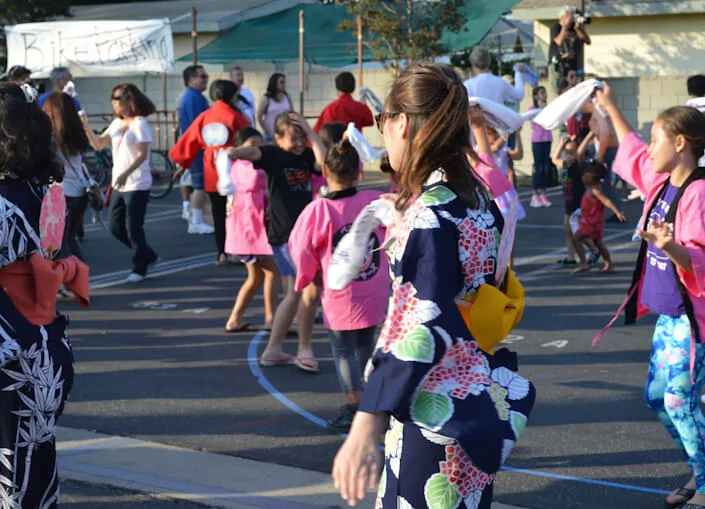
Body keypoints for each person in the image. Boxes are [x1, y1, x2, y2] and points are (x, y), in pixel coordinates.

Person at [332, 63, 535, 509]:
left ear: (401, 122)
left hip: (432, 406)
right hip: (475, 397)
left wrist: (367, 421)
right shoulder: (477, 197)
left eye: (382, 122)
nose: (383, 133)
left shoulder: (429, 214)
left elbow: (418, 324)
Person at [596, 82, 705, 509]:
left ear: (680, 144)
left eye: (658, 138)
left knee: (679, 400)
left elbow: (700, 258)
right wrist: (608, 105)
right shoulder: (660, 180)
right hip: (667, 317)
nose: (650, 146)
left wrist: (669, 246)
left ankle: (703, 479)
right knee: (657, 398)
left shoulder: (698, 193)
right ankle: (700, 468)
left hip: (692, 322)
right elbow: (633, 148)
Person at [0, 82, 79, 508]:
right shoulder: (47, 192)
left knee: (13, 477)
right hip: (44, 347)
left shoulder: (2, 202)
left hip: (10, 356)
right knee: (35, 467)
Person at [289, 139, 389, 432]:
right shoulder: (374, 201)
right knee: (366, 343)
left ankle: (354, 405)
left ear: (324, 170)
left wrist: (310, 277)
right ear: (359, 171)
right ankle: (373, 401)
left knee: (343, 349)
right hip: (372, 285)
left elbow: (301, 249)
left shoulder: (318, 211)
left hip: (340, 290)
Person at [227, 112, 326, 372]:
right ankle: (303, 350)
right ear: (278, 138)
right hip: (285, 234)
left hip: (303, 233)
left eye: (301, 138)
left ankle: (275, 349)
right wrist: (236, 151)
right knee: (304, 292)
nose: (298, 143)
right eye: (292, 138)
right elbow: (248, 154)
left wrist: (309, 131)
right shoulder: (272, 155)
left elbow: (323, 162)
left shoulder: (305, 155)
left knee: (298, 292)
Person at [83, 84, 159, 283]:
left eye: (118, 98)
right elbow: (99, 144)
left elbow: (143, 155)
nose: (114, 103)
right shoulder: (117, 123)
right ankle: (147, 254)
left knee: (134, 227)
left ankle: (139, 266)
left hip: (137, 183)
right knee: (116, 227)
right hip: (118, 183)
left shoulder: (140, 123)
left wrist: (126, 173)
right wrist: (85, 126)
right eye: (113, 98)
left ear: (129, 101)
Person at [170, 80, 250, 265]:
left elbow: (189, 140)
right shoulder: (236, 116)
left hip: (212, 168)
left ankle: (221, 253)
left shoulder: (205, 116)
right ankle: (238, 250)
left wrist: (183, 163)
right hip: (234, 167)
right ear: (232, 95)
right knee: (237, 211)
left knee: (218, 212)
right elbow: (248, 139)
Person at [224, 127, 279, 332]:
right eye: (251, 146)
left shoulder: (245, 163)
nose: (256, 150)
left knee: (256, 276)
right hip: (250, 226)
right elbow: (257, 180)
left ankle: (235, 318)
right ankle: (271, 318)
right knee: (272, 270)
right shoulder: (243, 164)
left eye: (259, 145)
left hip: (252, 224)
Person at [43, 92, 91, 262]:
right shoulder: (77, 133)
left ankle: (67, 279)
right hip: (79, 191)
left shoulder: (52, 138)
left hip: (60, 193)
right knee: (70, 239)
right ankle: (80, 276)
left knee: (59, 243)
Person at [570, 164, 626, 274]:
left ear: (592, 177)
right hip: (592, 222)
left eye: (584, 175)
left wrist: (617, 212)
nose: (582, 177)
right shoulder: (593, 189)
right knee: (599, 243)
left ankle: (583, 263)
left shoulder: (595, 191)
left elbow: (606, 201)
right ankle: (608, 264)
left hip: (591, 223)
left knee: (576, 239)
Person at [177, 65, 213, 233]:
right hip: (198, 149)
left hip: (198, 148)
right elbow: (197, 125)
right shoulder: (193, 98)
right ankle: (196, 221)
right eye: (202, 76)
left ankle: (199, 218)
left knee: (201, 185)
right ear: (191, 79)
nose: (206, 78)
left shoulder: (196, 97)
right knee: (200, 185)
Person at [548, 5, 591, 94]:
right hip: (558, 67)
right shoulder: (556, 27)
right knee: (560, 94)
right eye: (570, 16)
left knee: (574, 94)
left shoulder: (574, 30)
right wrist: (566, 26)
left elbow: (587, 41)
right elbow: (558, 42)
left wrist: (580, 29)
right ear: (563, 17)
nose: (572, 20)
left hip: (572, 69)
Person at [529, 86, 553, 208]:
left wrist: (546, 109)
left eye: (545, 93)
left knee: (545, 167)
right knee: (538, 167)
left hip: (547, 139)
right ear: (536, 96)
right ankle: (535, 194)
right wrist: (542, 110)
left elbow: (551, 120)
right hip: (537, 140)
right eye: (541, 93)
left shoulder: (548, 108)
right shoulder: (532, 109)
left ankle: (543, 194)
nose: (544, 95)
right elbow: (535, 122)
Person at [257, 73, 293, 142]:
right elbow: (259, 116)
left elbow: (292, 113)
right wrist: (267, 131)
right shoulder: (266, 98)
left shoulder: (287, 97)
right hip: (271, 135)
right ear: (274, 83)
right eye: (281, 82)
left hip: (285, 134)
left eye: (284, 82)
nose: (284, 85)